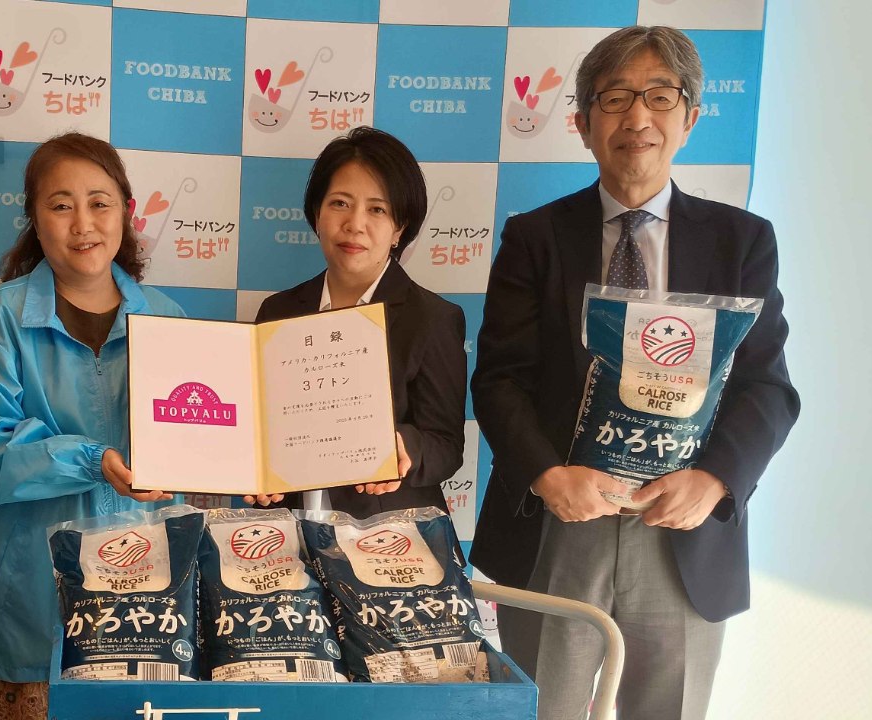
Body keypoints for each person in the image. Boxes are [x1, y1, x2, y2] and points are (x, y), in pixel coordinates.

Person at [469, 26, 799, 720]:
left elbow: (767, 388)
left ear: (690, 117)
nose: (637, 117)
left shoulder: (742, 241)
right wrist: (547, 475)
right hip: (560, 523)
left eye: (659, 96)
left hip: (683, 532)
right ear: (583, 123)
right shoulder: (535, 237)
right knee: (542, 711)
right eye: (615, 98)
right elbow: (500, 378)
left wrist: (715, 481)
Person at [0, 132, 185, 720]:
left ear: (126, 212)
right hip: (29, 604)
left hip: (146, 601)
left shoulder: (170, 320)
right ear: (34, 216)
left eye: (99, 203)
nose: (83, 224)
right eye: (60, 205)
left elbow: (201, 444)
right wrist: (91, 459)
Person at [252, 126, 468, 517]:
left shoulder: (433, 318)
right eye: (340, 203)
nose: (354, 223)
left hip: (390, 536)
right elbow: (261, 428)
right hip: (291, 530)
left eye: (377, 209)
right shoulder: (277, 312)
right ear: (317, 214)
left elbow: (446, 446)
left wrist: (404, 447)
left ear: (399, 229)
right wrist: (255, 472)